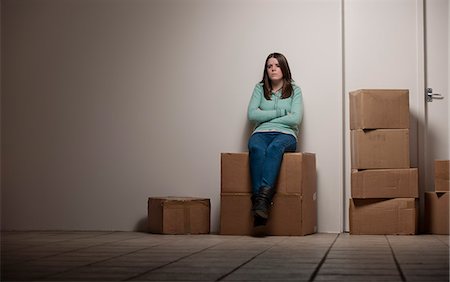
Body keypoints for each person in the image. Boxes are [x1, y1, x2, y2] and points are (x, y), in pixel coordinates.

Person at [247, 52, 303, 227]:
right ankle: (261, 206)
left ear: (284, 68)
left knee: (274, 149)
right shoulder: (259, 88)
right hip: (260, 134)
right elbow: (251, 115)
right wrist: (280, 113)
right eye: (269, 66)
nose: (273, 69)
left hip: (286, 135)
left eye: (277, 65)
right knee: (256, 148)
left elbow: (295, 119)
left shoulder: (295, 90)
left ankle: (260, 201)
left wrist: (264, 116)